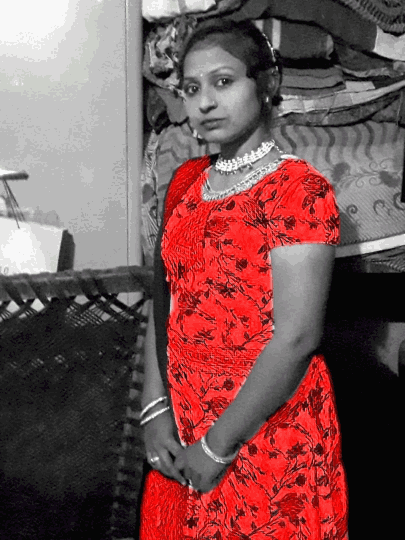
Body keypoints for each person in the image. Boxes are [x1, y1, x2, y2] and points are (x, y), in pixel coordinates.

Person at [138, 19, 348, 539]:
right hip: (187, 424)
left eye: (224, 81)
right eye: (191, 89)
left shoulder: (298, 190)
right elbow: (166, 300)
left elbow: (297, 337)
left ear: (267, 85)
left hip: (267, 430)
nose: (205, 102)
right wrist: (154, 408)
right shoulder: (187, 185)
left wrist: (217, 446)